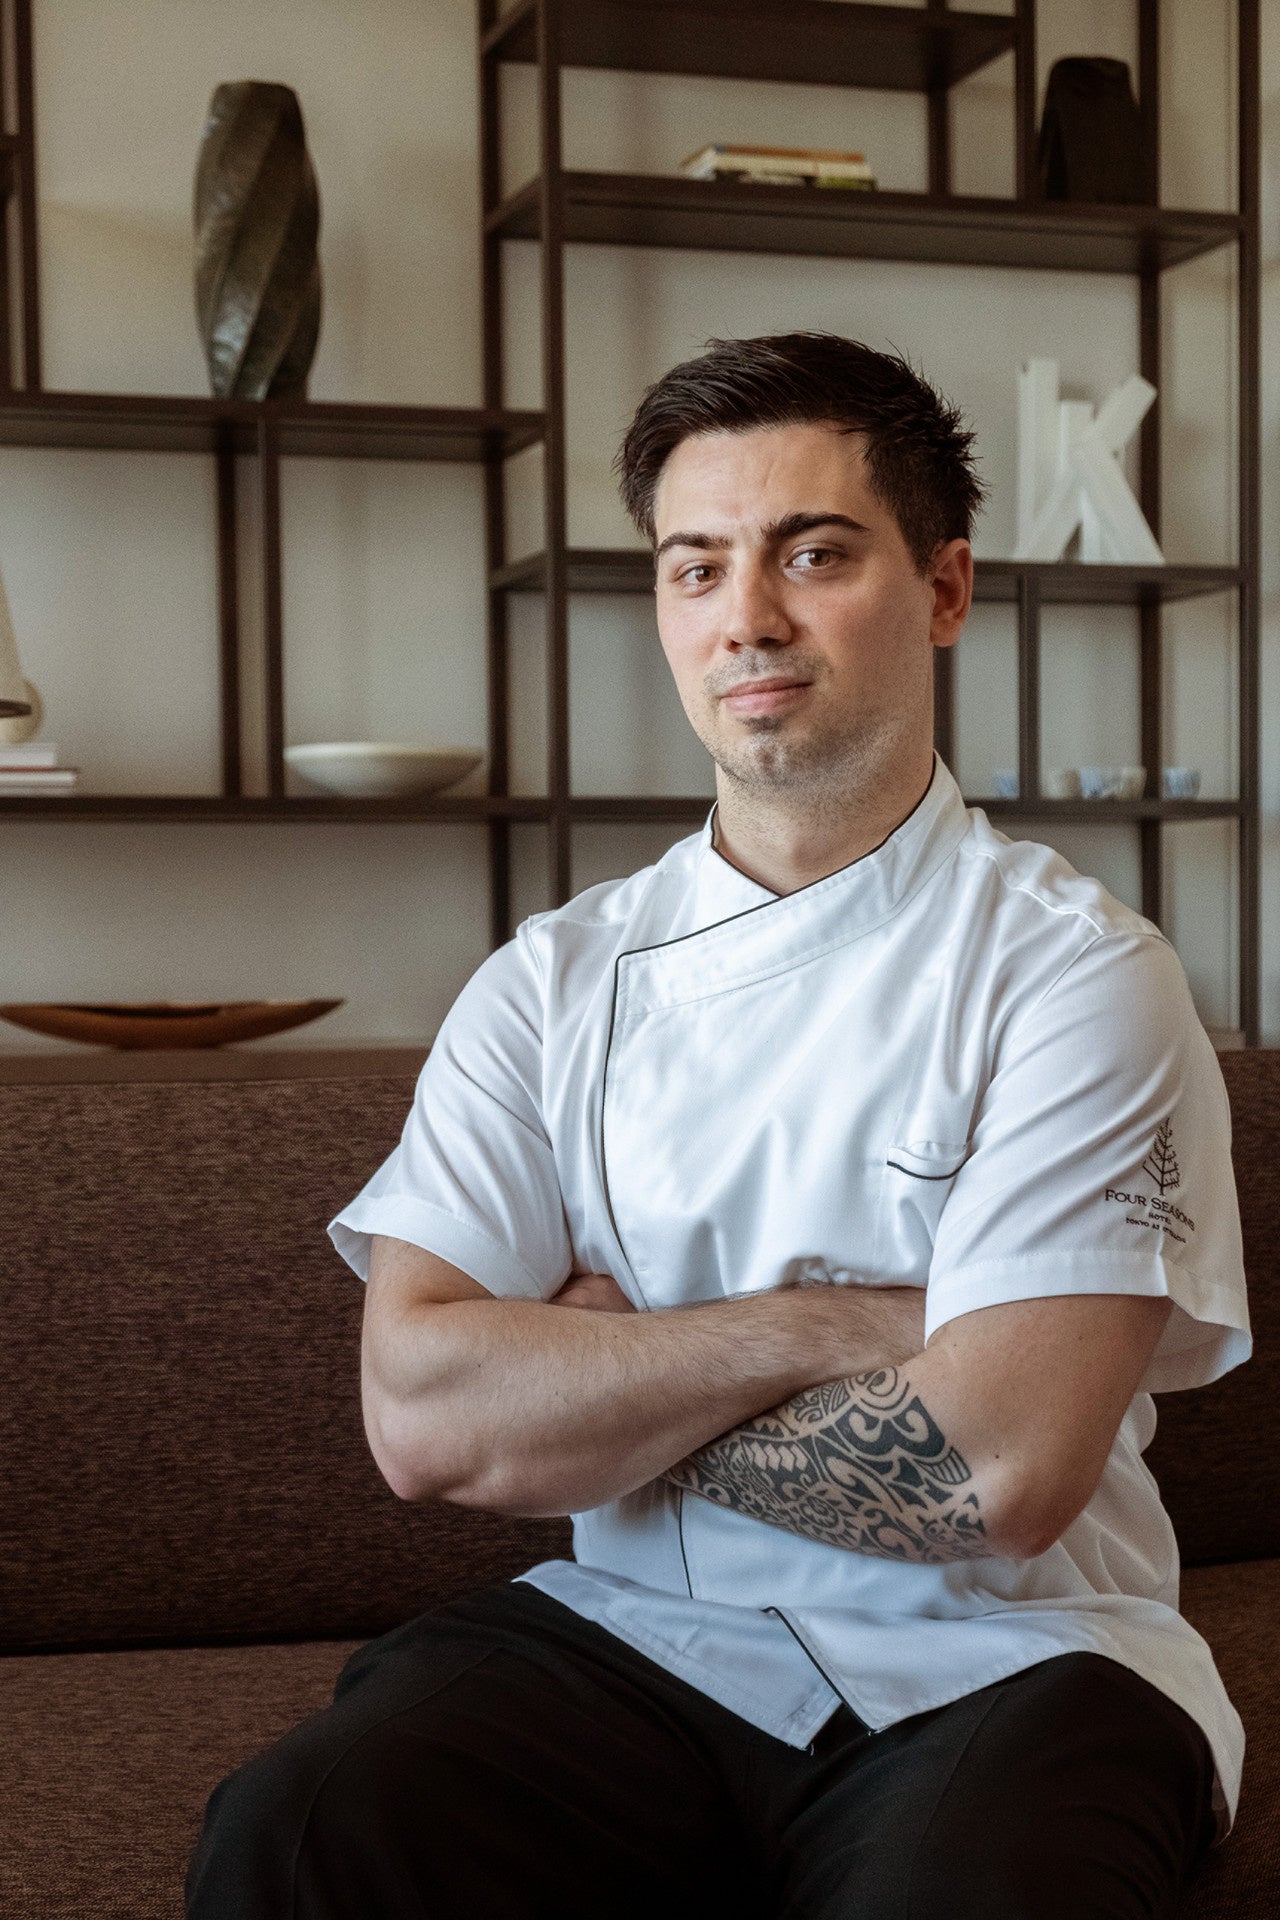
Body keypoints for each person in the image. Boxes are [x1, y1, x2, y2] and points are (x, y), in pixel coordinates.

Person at [187, 332, 1249, 1919]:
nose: (746, 616)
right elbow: (420, 1418)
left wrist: (599, 1376)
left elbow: (1004, 1471)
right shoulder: (550, 984)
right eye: (696, 568)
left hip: (1013, 1653)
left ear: (945, 590)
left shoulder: (1077, 974)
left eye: (813, 555)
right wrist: (834, 1326)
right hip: (636, 1637)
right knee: (302, 1833)